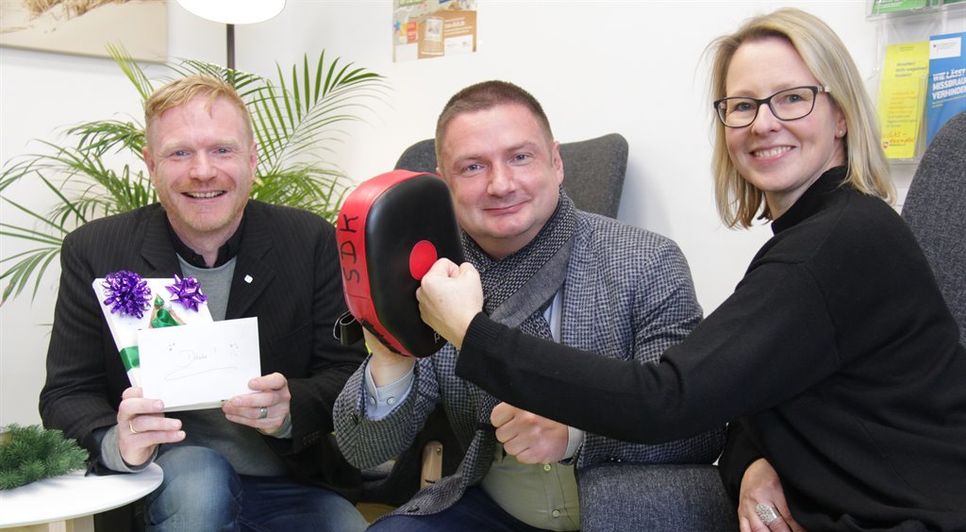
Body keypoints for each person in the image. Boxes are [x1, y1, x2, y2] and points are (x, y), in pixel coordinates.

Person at [416, 9, 966, 532]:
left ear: (841, 114)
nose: (763, 124)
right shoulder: (816, 237)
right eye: (743, 105)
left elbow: (668, 399)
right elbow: (753, 396)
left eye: (793, 99)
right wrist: (752, 463)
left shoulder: (834, 246)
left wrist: (472, 333)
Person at [333, 80, 727, 531]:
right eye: (473, 167)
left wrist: (575, 433)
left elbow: (700, 428)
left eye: (520, 157)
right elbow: (363, 450)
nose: (500, 185)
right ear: (444, 183)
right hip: (495, 510)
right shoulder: (436, 281)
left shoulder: (647, 261)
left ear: (556, 163)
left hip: (622, 507)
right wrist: (389, 353)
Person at [39, 75, 369, 532]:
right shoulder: (96, 250)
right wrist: (119, 441)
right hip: (162, 481)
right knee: (202, 486)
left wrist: (291, 408)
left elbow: (348, 374)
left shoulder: (309, 241)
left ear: (252, 160)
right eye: (179, 153)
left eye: (222, 150)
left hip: (287, 481)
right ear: (150, 165)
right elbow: (66, 394)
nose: (202, 171)